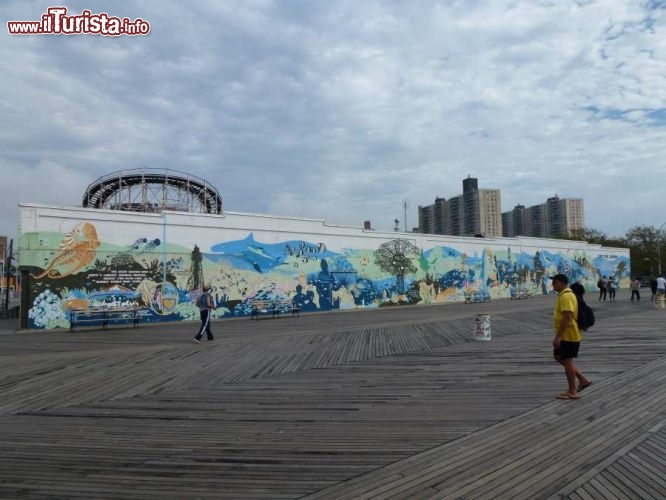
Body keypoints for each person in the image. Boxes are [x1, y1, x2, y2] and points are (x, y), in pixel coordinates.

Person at [549, 274, 591, 400]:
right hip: (567, 335)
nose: (553, 285)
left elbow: (567, 317)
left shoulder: (566, 296)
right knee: (558, 357)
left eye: (555, 282)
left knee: (567, 361)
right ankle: (583, 380)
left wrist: (558, 337)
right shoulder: (564, 295)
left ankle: (572, 391)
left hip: (568, 335)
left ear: (562, 283)